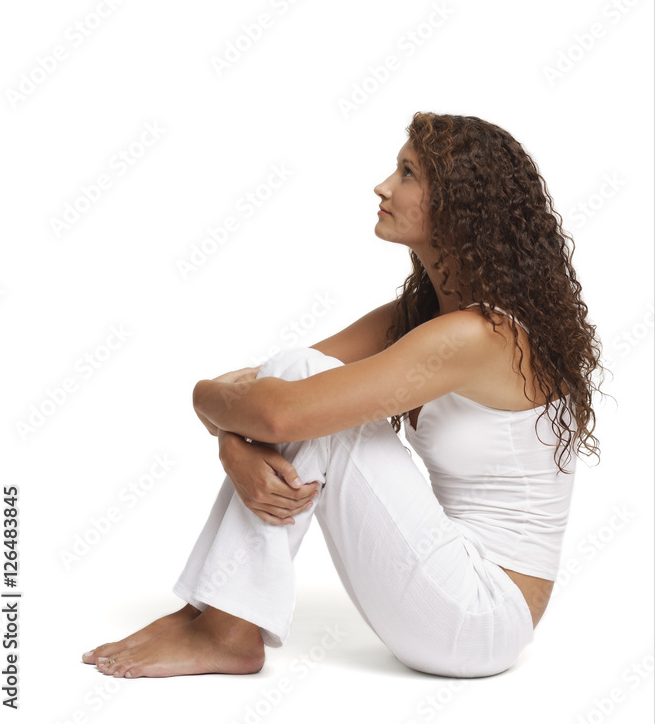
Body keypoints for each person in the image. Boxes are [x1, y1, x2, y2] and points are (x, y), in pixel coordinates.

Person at [81, 111, 606, 680]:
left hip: (479, 618)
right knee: (300, 377)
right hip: (445, 587)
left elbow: (278, 408)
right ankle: (214, 620)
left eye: (407, 173)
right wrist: (232, 437)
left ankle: (225, 629)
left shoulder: (480, 335)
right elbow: (257, 384)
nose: (383, 186)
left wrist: (238, 432)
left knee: (302, 386)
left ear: (458, 205)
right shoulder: (426, 319)